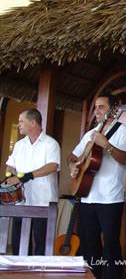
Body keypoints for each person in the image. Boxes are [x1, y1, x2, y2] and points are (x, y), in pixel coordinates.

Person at [68, 93, 126, 279]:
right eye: (95, 107)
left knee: (111, 245)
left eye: (101, 107)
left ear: (114, 110)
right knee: (89, 245)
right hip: (87, 194)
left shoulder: (124, 131)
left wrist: (107, 145)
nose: (96, 111)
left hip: (111, 197)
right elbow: (72, 156)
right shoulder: (91, 133)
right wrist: (73, 166)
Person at [5, 108, 60, 255]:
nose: (19, 124)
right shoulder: (19, 145)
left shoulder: (51, 144)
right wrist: (10, 175)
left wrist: (26, 176)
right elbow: (11, 165)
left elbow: (53, 166)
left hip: (43, 201)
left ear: (33, 123)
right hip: (21, 200)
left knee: (41, 244)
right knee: (19, 243)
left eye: (22, 121)